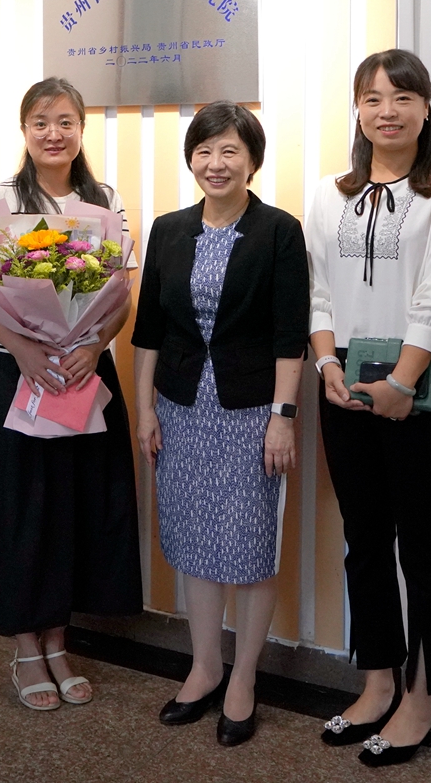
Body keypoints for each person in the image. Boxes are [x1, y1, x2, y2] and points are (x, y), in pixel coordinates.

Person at [306, 50, 431, 768]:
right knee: (365, 539)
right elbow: (318, 290)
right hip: (344, 380)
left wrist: (403, 384)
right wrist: (326, 367)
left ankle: (424, 696)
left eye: (403, 97)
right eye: (373, 98)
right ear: (357, 110)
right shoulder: (329, 194)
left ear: (426, 108)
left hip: (424, 384)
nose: (388, 111)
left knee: (424, 545)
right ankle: (377, 681)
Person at [0, 78, 143, 711]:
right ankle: (25, 647)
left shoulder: (104, 201)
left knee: (73, 506)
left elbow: (120, 294)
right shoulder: (0, 201)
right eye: (40, 122)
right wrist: (25, 348)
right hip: (20, 372)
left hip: (84, 371)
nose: (53, 134)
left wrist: (95, 345)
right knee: (23, 507)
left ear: (81, 129)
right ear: (25, 130)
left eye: (65, 122)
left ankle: (59, 642)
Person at [132, 101, 309, 748]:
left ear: (252, 160)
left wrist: (282, 418)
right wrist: (144, 408)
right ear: (192, 159)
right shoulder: (169, 230)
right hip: (181, 408)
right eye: (205, 151)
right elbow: (148, 331)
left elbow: (291, 336)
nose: (216, 163)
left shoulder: (278, 231)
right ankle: (205, 667)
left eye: (230, 150)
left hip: (251, 412)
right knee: (194, 538)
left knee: (250, 543)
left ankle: (244, 677)